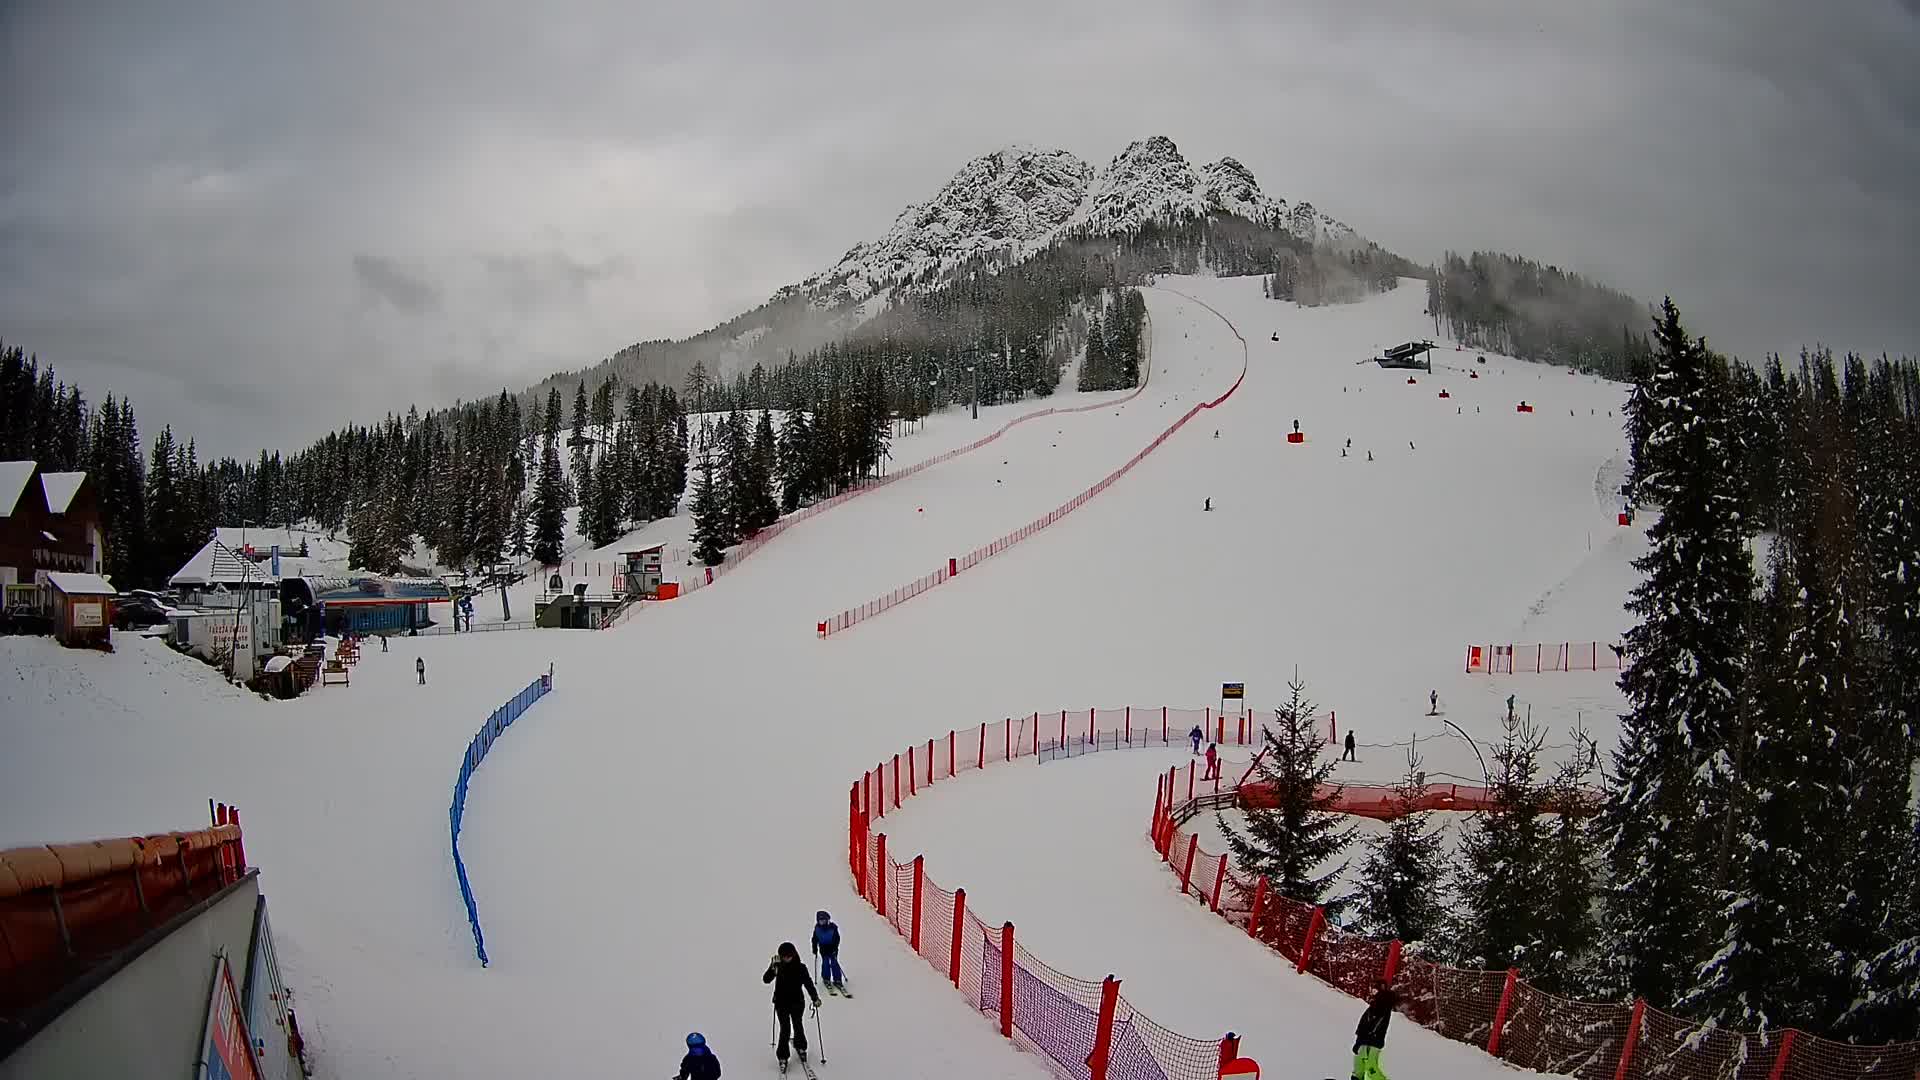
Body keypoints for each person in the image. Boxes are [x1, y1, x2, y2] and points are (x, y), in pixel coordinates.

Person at [763, 942, 821, 1066]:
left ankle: (801, 1047)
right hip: (781, 1003)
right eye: (784, 956)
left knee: (798, 1025)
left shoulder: (801, 968)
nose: (787, 958)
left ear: (794, 954)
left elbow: (808, 983)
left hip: (797, 1002)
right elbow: (766, 980)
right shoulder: (777, 967)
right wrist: (772, 968)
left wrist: (815, 997)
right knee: (785, 1029)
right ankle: (782, 1056)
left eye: (789, 956)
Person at [1352, 984, 1398, 1080]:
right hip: (1364, 1040)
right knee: (1358, 1066)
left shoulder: (1383, 1005)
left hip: (1373, 1041)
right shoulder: (1375, 1005)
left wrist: (1364, 1038)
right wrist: (1358, 1040)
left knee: (1371, 1069)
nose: (1373, 993)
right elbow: (1363, 1024)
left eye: (1374, 991)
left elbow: (1375, 1024)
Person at [812, 910, 848, 994]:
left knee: (834, 963)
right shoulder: (817, 929)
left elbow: (837, 939)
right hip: (823, 948)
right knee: (825, 963)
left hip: (832, 948)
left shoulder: (833, 928)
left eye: (824, 920)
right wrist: (814, 948)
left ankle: (837, 979)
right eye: (820, 921)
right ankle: (826, 978)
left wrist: (835, 948)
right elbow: (814, 939)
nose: (822, 922)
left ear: (827, 920)